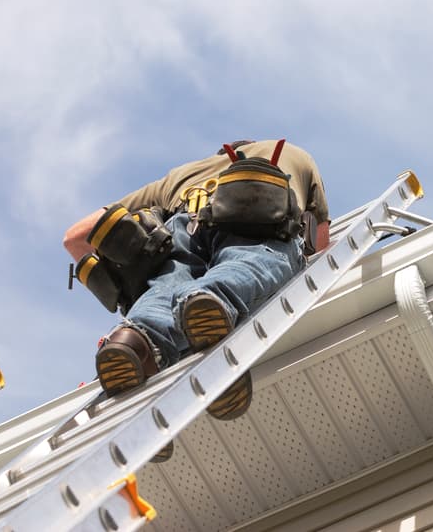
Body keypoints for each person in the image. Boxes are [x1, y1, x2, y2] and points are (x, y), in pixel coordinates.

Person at [64, 139, 329, 428]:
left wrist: (114, 281)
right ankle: (212, 301)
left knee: (164, 289)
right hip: (259, 212)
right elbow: (322, 249)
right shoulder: (294, 154)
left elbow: (76, 236)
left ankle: (133, 342)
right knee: (250, 262)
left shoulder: (179, 176)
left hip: (182, 226)